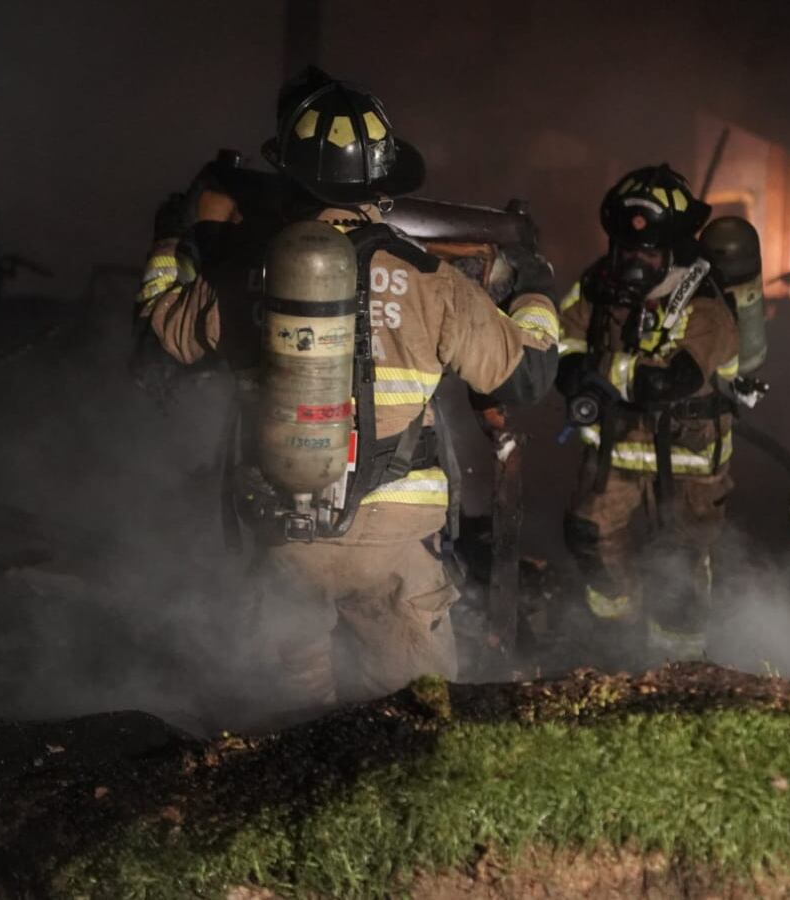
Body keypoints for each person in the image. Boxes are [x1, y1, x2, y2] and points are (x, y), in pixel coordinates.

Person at [140, 68, 558, 714]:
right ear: (383, 185)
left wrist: (173, 241)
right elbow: (527, 375)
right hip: (390, 550)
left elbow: (159, 332)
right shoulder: (430, 281)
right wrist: (532, 288)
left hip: (284, 542)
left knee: (286, 733)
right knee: (411, 727)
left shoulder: (244, 274)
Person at [555, 164, 740, 662]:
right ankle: (617, 641)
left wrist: (603, 372)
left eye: (649, 250)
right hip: (615, 448)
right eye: (628, 248)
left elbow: (670, 379)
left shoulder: (705, 304)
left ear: (676, 248)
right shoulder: (598, 286)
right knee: (588, 537)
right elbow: (561, 336)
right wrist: (571, 371)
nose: (635, 260)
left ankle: (681, 671)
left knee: (677, 565)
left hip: (689, 457)